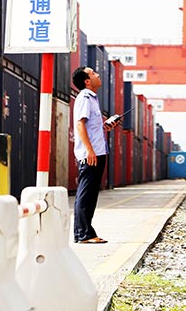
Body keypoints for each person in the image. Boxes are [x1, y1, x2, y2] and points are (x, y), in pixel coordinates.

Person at [72, 66, 117, 244]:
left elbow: (90, 127)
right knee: (85, 194)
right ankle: (83, 234)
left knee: (90, 195)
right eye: (93, 73)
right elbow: (80, 125)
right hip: (91, 154)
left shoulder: (92, 99)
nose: (97, 74)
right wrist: (89, 150)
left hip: (98, 151)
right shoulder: (84, 97)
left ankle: (86, 232)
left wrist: (106, 126)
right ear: (87, 81)